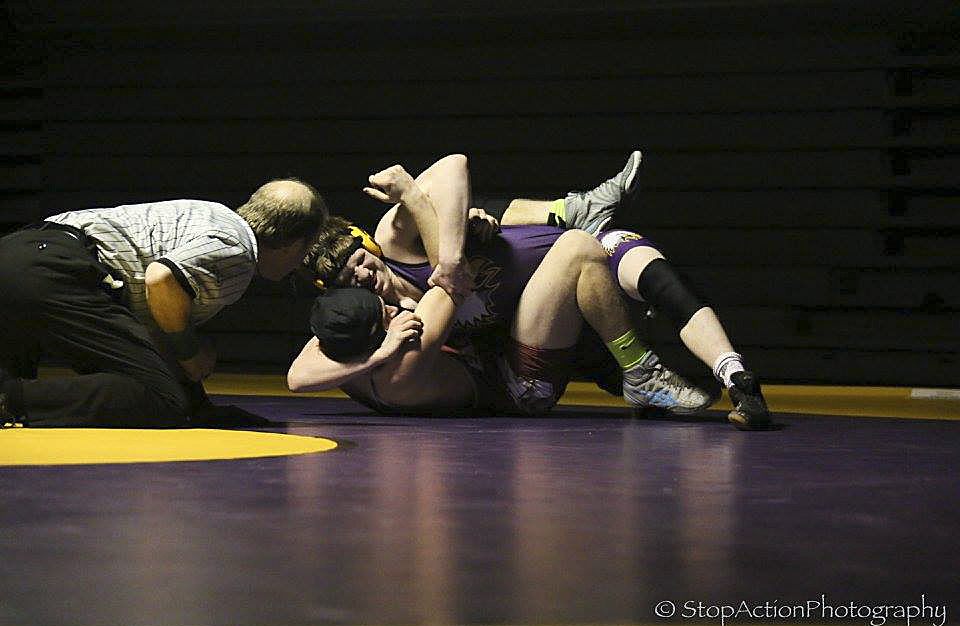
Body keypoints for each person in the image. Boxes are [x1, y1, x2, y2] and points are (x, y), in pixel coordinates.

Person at [303, 153, 770, 425]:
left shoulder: (395, 244)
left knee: (632, 262)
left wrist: (449, 244)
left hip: (538, 308)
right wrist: (382, 353)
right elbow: (298, 373)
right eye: (347, 279)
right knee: (576, 249)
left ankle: (730, 374)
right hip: (519, 371)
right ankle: (634, 367)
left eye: (358, 261)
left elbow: (454, 168)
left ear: (368, 245)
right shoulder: (387, 321)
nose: (361, 276)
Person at [0, 179, 327, 427]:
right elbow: (161, 278)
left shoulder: (210, 213)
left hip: (21, 252)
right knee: (161, 397)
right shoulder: (239, 252)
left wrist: (198, 403)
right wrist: (190, 352)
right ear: (294, 244)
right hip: (55, 271)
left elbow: (148, 324)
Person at [290, 226, 713, 418]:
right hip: (522, 387)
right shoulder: (413, 348)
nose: (388, 306)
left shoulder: (344, 359)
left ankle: (603, 360)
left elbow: (295, 377)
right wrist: (428, 211)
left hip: (499, 356)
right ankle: (637, 370)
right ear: (382, 328)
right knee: (579, 250)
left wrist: (379, 351)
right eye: (386, 313)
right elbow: (451, 275)